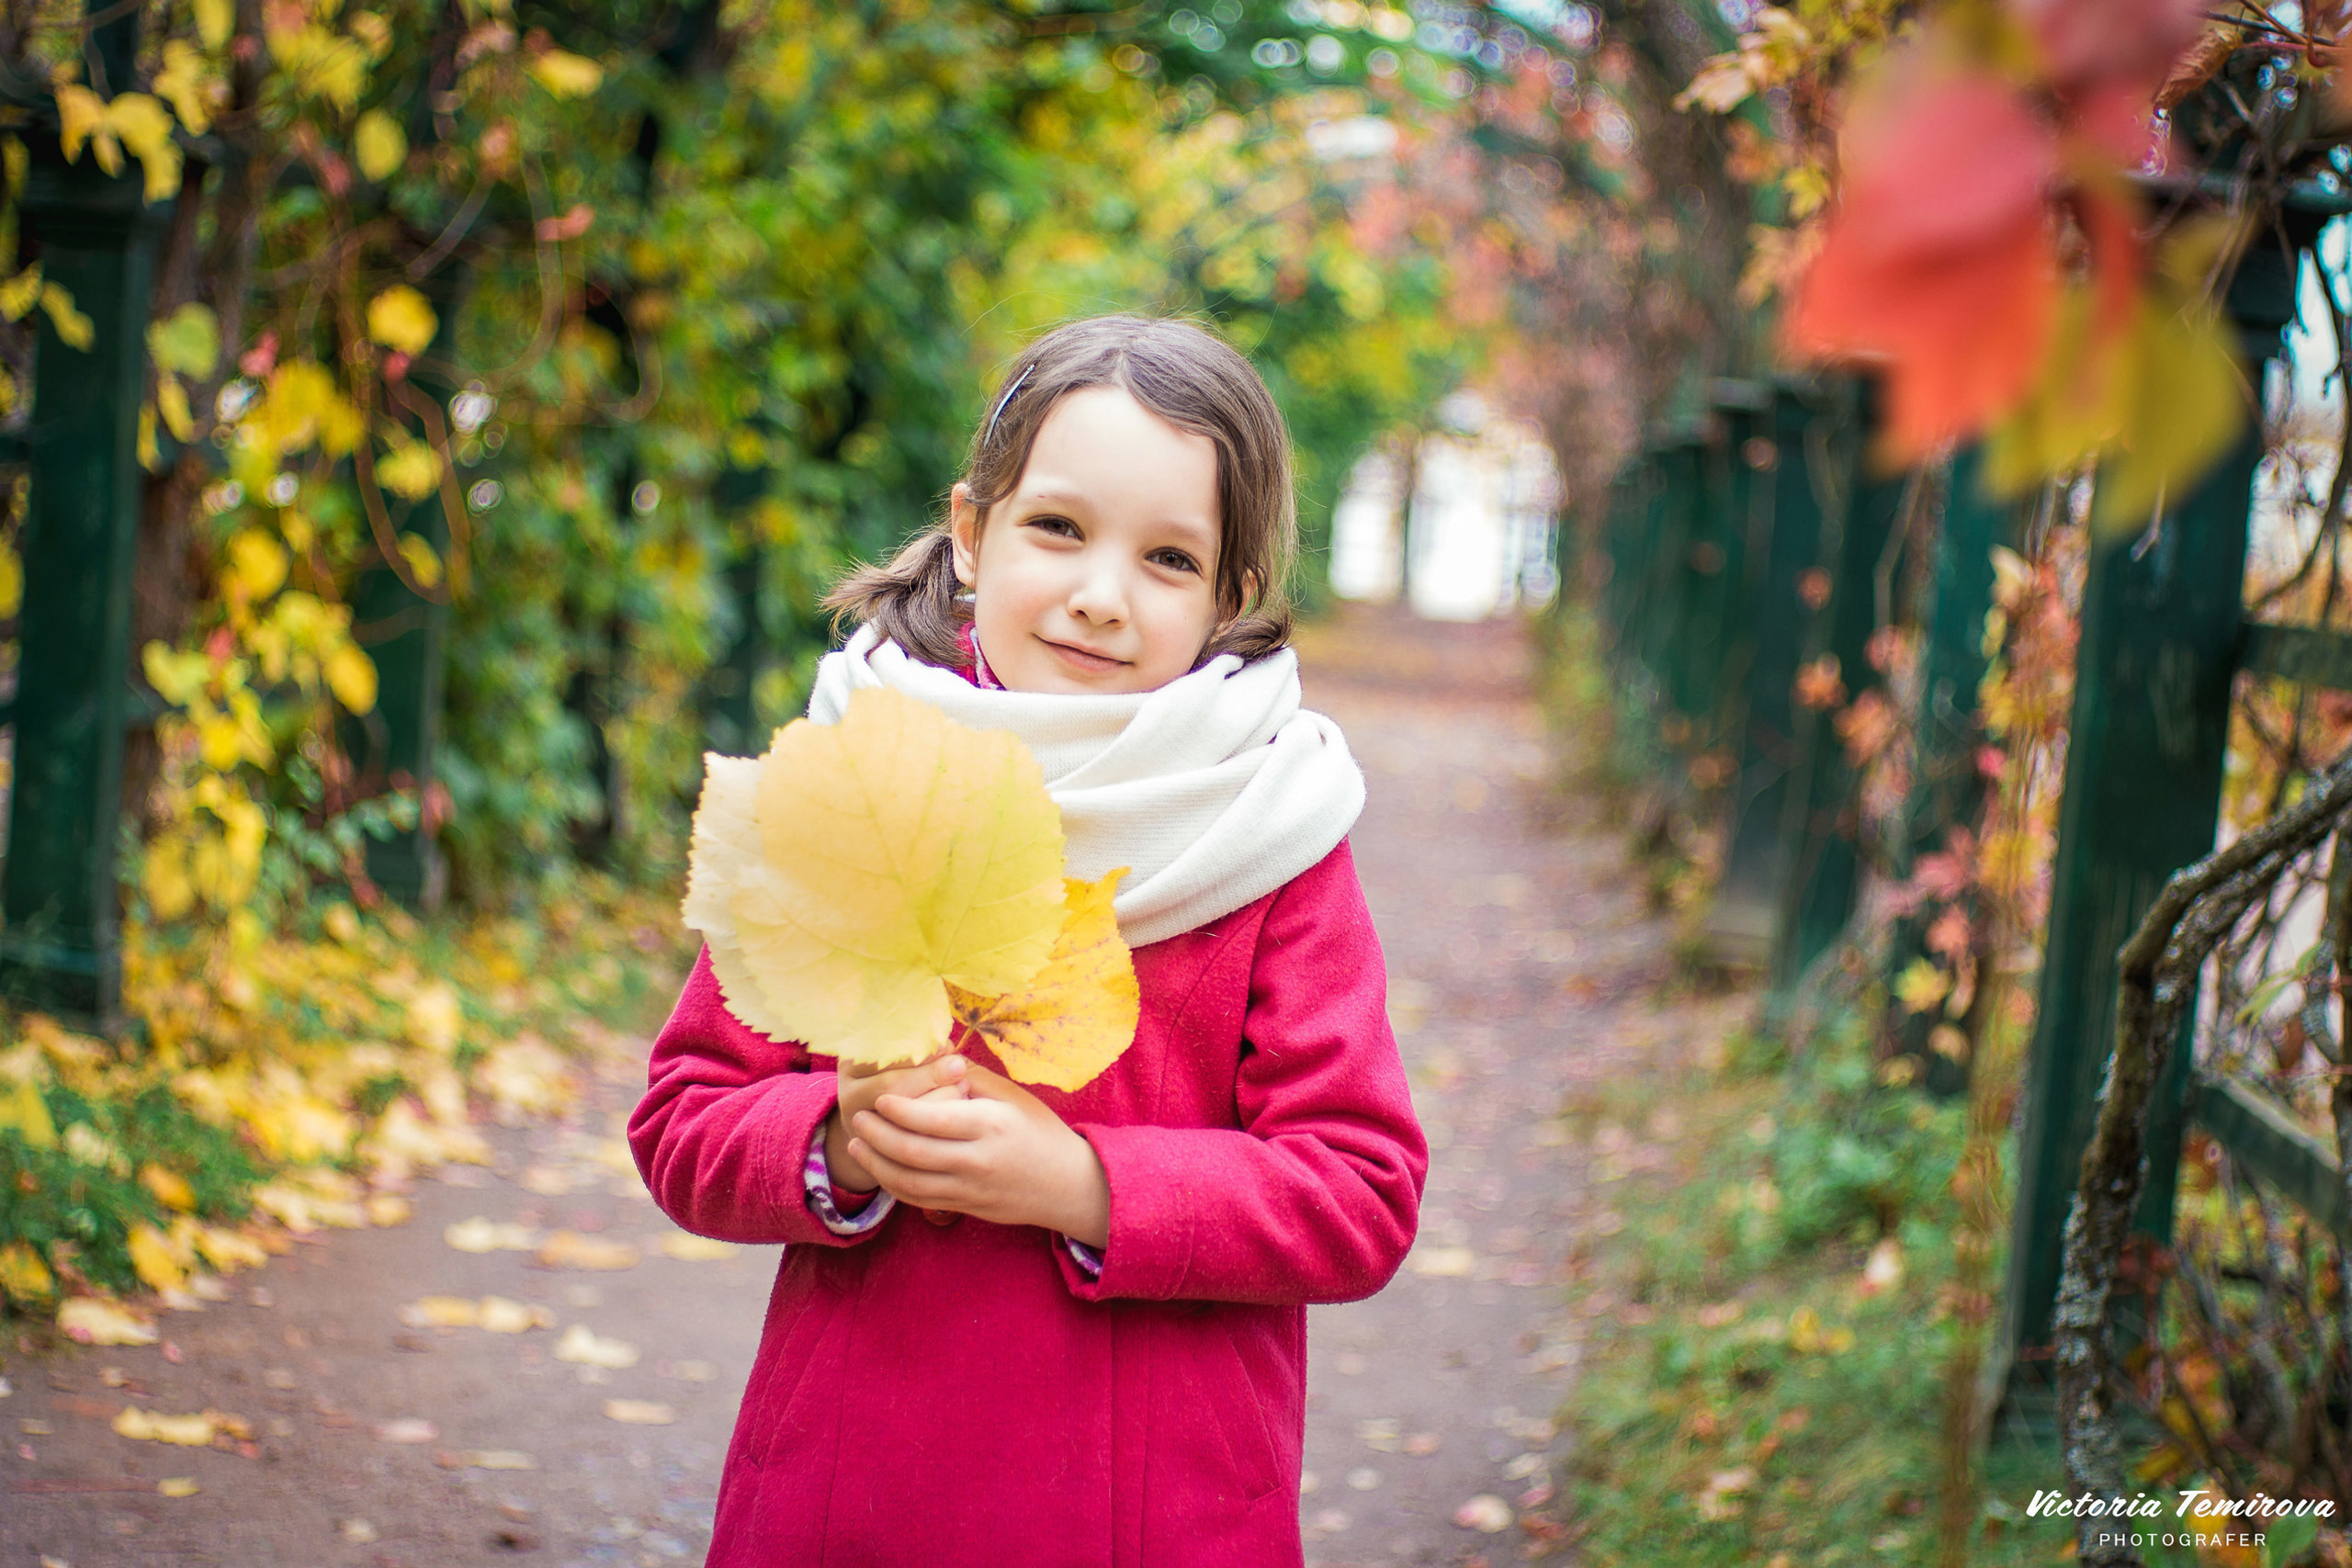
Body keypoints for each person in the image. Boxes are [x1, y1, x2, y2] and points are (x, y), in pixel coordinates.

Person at [629, 314, 1427, 1567]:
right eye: (1058, 528)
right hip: (852, 1505)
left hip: (1153, 1516)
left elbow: (1360, 1194)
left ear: (1231, 596)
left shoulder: (1268, 837)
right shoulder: (853, 790)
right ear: (971, 528)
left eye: (1169, 559)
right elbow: (684, 1123)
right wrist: (836, 1141)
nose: (1101, 595)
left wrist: (1086, 1185)